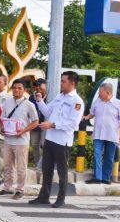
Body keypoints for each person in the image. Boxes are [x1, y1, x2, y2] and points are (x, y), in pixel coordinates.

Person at [30, 71, 84, 208]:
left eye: (63, 81)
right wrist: (39, 100)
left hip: (62, 141)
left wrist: (53, 125)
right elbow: (47, 111)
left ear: (72, 83)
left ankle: (61, 198)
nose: (61, 83)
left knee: (62, 171)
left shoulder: (77, 101)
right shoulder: (59, 97)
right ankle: (44, 196)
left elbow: (73, 123)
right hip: (50, 138)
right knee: (46, 169)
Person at [0, 79, 39, 200]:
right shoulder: (7, 103)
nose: (16, 90)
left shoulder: (29, 105)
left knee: (21, 166)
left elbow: (36, 122)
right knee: (8, 165)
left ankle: (20, 189)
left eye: (20, 88)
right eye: (14, 88)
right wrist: (1, 129)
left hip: (22, 141)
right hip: (8, 139)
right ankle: (7, 188)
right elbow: (3, 121)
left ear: (25, 90)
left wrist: (23, 130)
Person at [83, 82, 120, 185]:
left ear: (107, 92)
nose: (99, 94)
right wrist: (86, 118)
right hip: (98, 134)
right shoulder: (97, 102)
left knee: (109, 157)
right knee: (97, 154)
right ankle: (97, 177)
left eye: (100, 92)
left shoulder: (118, 104)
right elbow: (92, 113)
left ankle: (106, 178)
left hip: (112, 136)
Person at [29, 78, 47, 170]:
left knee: (45, 145)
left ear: (45, 85)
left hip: (46, 125)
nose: (38, 87)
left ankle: (45, 164)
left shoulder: (51, 95)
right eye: (36, 85)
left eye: (40, 85)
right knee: (34, 145)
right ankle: (38, 164)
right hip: (35, 125)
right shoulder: (32, 97)